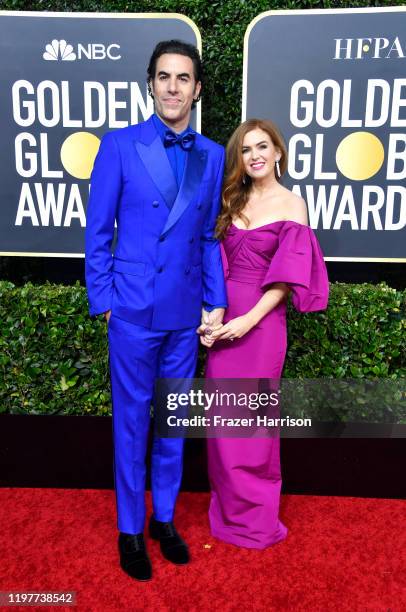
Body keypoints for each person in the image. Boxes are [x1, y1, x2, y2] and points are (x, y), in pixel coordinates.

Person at [85, 40, 227, 581]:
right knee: (130, 424)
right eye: (163, 77)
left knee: (172, 422)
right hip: (132, 311)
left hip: (185, 313)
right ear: (151, 84)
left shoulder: (212, 155)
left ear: (196, 88)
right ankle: (129, 528)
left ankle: (164, 519)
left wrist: (215, 300)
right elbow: (97, 233)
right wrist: (106, 303)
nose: (173, 87)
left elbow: (210, 239)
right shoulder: (120, 146)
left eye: (183, 78)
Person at [200, 118, 329, 549]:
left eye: (262, 146)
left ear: (277, 152)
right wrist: (212, 315)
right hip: (225, 320)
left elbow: (286, 279)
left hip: (260, 325)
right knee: (223, 424)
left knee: (251, 426)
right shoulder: (228, 200)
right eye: (245, 149)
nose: (254, 155)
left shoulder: (293, 204)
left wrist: (246, 321)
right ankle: (228, 511)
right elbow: (212, 262)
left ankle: (256, 519)